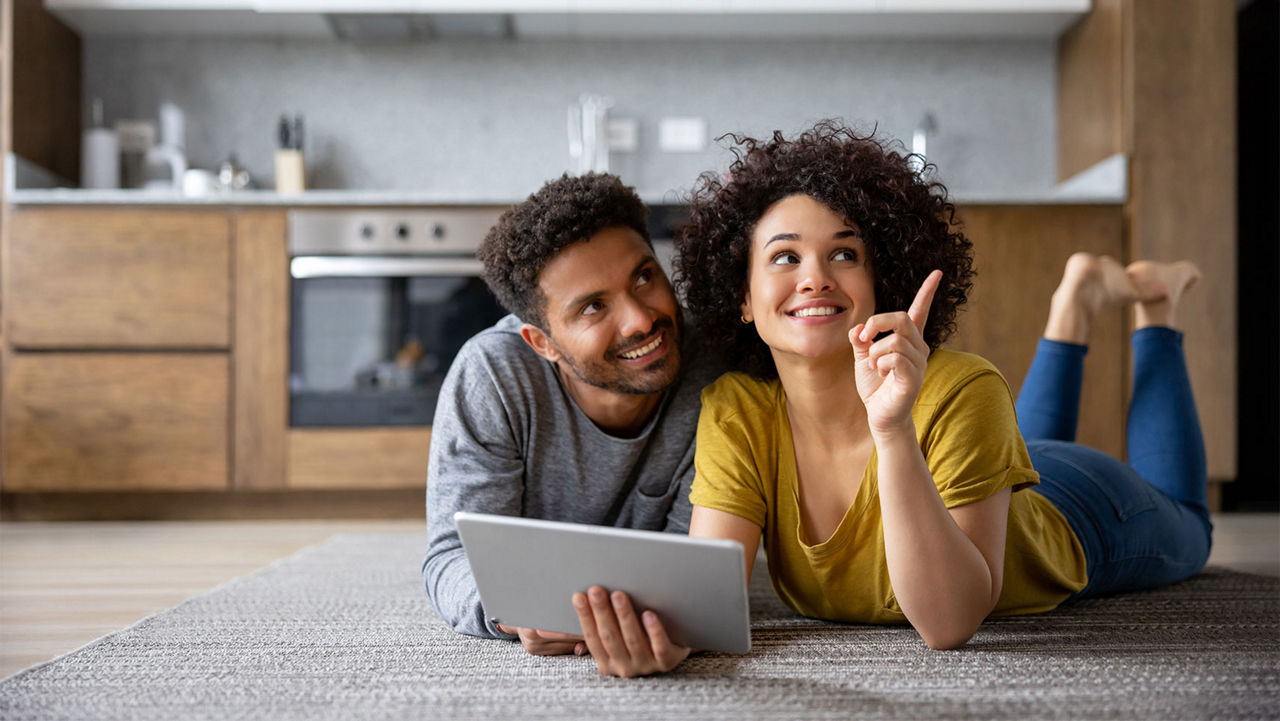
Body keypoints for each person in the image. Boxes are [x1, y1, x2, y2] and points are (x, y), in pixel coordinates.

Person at [569, 121, 1211, 677]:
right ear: (742, 297)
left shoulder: (962, 387)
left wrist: (894, 428)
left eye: (843, 253)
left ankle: (1157, 310)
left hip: (1083, 517)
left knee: (1192, 523)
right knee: (1018, 446)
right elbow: (710, 595)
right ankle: (1075, 303)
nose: (814, 276)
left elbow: (948, 624)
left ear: (882, 281)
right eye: (784, 257)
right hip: (991, 472)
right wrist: (658, 640)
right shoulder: (736, 407)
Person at [423, 172, 719, 655]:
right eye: (593, 307)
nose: (641, 320)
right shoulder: (494, 375)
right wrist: (515, 609)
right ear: (544, 344)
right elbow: (452, 558)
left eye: (644, 277)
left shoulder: (713, 370)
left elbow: (699, 568)